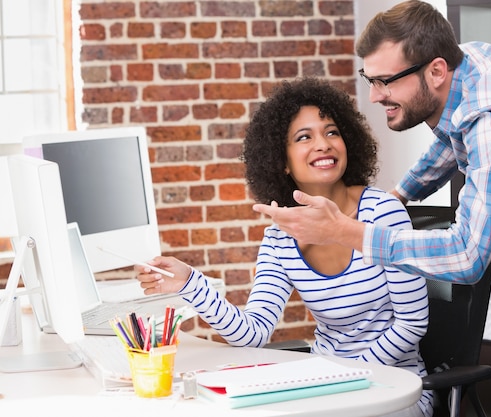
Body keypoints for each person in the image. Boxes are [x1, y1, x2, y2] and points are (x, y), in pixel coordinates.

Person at [252, 1, 491, 416]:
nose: (375, 95)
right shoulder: (465, 68)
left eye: (386, 81)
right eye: (370, 79)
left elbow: (468, 257)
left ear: (435, 70)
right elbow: (453, 137)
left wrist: (349, 231)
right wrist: (396, 198)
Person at [136, 77, 433, 417]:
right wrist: (190, 283)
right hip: (328, 390)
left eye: (332, 132)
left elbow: (411, 324)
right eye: (304, 137)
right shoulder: (281, 238)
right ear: (283, 161)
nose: (323, 144)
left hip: (393, 390)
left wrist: (345, 377)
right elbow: (254, 333)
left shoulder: (383, 214)